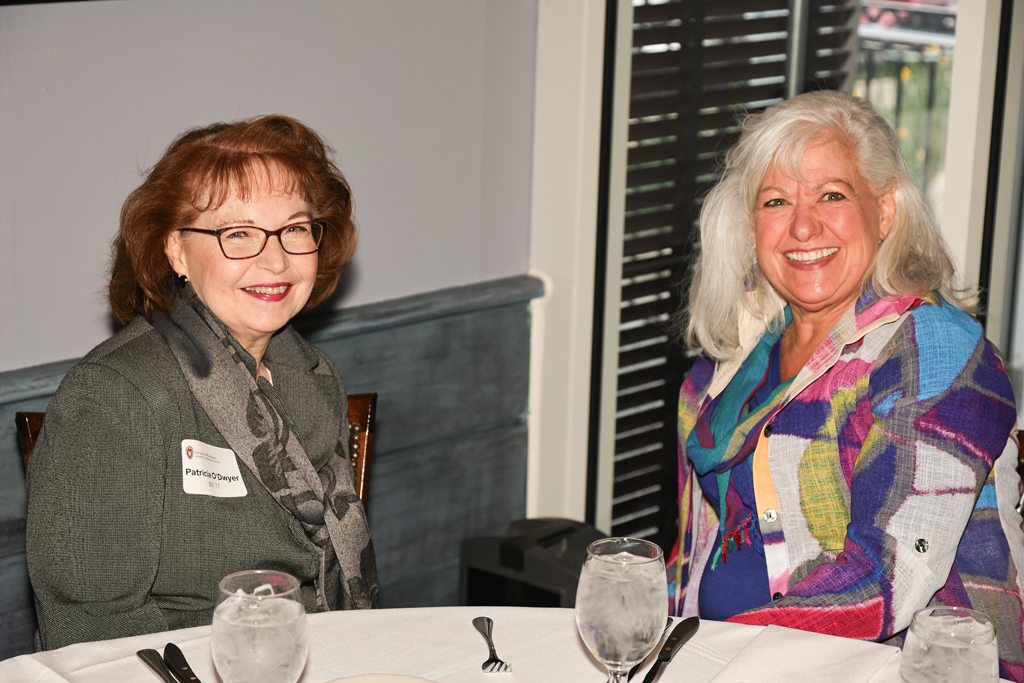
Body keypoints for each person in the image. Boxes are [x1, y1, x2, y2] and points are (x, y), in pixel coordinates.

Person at [669, 90, 1024, 680]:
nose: (803, 225)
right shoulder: (734, 358)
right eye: (776, 201)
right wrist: (667, 635)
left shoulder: (934, 349)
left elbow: (889, 576)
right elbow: (702, 538)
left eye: (832, 195)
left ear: (884, 212)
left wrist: (716, 655)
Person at [26, 115, 378, 650]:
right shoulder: (115, 395)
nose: (276, 260)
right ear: (176, 251)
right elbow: (92, 625)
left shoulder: (310, 372)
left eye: (295, 229)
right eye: (238, 234)